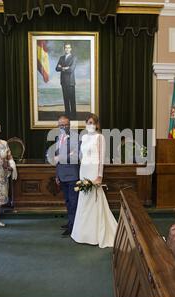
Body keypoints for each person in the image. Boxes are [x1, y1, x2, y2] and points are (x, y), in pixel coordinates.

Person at [71, 114, 118, 248]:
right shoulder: (84, 137)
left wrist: (99, 176)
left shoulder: (100, 137)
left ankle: (94, 233)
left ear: (97, 124)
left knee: (94, 198)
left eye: (91, 122)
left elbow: (101, 158)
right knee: (84, 199)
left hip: (94, 171)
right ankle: (81, 233)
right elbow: (82, 155)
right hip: (84, 170)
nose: (89, 125)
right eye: (87, 122)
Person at [54, 115, 80, 236]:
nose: (63, 127)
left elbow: (75, 156)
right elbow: (55, 159)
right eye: (61, 125)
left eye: (65, 124)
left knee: (73, 202)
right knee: (68, 201)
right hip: (62, 175)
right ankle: (71, 221)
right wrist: (57, 175)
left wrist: (62, 157)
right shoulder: (58, 138)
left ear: (69, 125)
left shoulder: (75, 138)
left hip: (72, 175)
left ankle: (73, 226)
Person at [55, 43, 77, 120]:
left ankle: (74, 115)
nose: (67, 49)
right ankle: (67, 114)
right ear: (64, 49)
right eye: (66, 48)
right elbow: (56, 68)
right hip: (63, 81)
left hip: (71, 82)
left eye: (68, 48)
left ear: (71, 49)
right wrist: (65, 68)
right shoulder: (61, 58)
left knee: (72, 99)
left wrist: (62, 67)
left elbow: (71, 69)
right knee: (66, 99)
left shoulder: (74, 57)